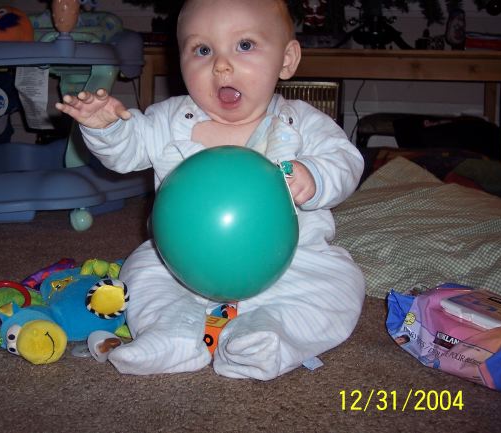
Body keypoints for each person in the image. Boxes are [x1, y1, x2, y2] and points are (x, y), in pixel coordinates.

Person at [56, 0, 365, 380]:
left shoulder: (302, 122)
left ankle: (266, 336)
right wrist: (107, 129)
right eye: (202, 49)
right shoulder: (167, 119)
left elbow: (344, 159)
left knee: (341, 285)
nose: (221, 65)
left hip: (292, 261)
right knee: (141, 271)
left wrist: (315, 175)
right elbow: (127, 149)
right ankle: (169, 332)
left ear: (286, 60)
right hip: (180, 264)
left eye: (244, 45)